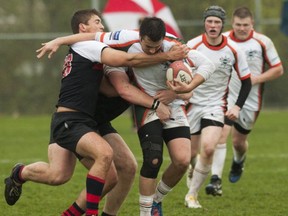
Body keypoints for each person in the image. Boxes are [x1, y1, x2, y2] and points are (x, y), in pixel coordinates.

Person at [4, 10, 188, 216]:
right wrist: (167, 58)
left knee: (124, 167)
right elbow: (126, 66)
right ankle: (23, 175)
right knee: (74, 168)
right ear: (83, 28)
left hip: (93, 121)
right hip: (71, 119)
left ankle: (103, 214)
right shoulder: (88, 45)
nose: (102, 26)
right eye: (97, 22)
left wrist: (168, 86)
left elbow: (111, 88)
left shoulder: (95, 48)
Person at [38, 17, 215, 216]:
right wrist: (59, 40)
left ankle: (142, 204)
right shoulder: (103, 46)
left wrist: (182, 89)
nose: (151, 51)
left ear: (164, 39)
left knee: (133, 167)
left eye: (156, 47)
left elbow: (198, 77)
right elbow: (122, 85)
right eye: (97, 21)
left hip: (98, 120)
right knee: (65, 173)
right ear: (139, 37)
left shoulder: (174, 46)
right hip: (75, 119)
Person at [206, 6, 283, 196]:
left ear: (252, 24)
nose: (242, 28)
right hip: (226, 97)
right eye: (238, 25)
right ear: (232, 23)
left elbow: (278, 69)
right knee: (221, 135)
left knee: (239, 142)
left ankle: (239, 161)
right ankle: (215, 180)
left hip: (251, 100)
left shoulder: (262, 42)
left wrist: (255, 79)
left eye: (245, 25)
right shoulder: (223, 39)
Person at [182, 5, 252, 209]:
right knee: (190, 154)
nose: (213, 25)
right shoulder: (192, 45)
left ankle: (192, 195)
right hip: (191, 104)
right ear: (205, 22)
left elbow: (246, 81)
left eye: (217, 22)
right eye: (209, 21)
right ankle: (192, 169)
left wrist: (237, 107)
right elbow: (179, 71)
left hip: (216, 104)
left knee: (210, 148)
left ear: (222, 25)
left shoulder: (233, 50)